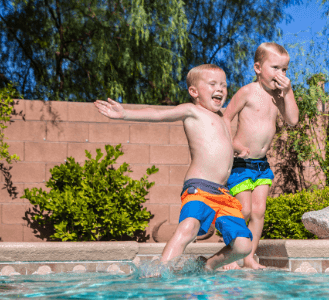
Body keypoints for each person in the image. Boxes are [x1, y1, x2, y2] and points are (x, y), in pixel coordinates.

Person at [94, 64, 252, 271]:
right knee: (189, 227)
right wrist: (125, 114)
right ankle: (161, 272)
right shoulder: (192, 111)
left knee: (243, 246)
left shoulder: (223, 119)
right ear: (194, 92)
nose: (220, 89)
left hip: (223, 193)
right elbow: (159, 115)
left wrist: (238, 149)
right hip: (200, 186)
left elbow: (223, 145)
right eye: (212, 84)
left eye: (223, 84)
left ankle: (208, 266)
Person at [222, 43, 299, 269]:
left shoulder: (279, 96)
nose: (281, 74)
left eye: (285, 70)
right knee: (243, 210)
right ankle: (232, 254)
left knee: (259, 211)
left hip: (261, 166)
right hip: (240, 163)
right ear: (257, 67)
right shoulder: (247, 92)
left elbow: (293, 120)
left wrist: (289, 91)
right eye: (275, 67)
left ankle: (248, 258)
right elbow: (225, 118)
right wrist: (234, 144)